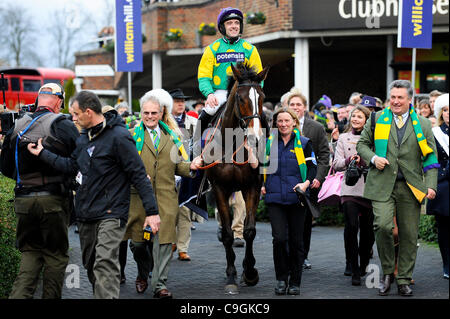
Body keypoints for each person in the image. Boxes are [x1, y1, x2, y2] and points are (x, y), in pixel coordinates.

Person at [27, 91, 161, 299]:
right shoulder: (83, 137)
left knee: (104, 264)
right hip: (86, 213)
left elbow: (138, 175)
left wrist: (152, 212)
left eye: (75, 113)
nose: (72, 118)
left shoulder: (119, 136)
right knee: (91, 266)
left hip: (112, 213)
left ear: (88, 112)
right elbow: (72, 166)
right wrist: (43, 153)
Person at [357, 80, 438, 297]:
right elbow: (362, 145)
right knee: (383, 227)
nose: (395, 101)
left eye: (400, 97)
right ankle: (386, 273)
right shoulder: (377, 118)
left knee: (409, 234)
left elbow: (430, 155)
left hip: (411, 187)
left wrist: (431, 185)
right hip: (382, 184)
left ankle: (403, 278)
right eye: (392, 97)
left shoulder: (423, 124)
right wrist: (373, 158)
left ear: (409, 99)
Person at [0, 83, 79, 299]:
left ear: (38, 99)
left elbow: (5, 168)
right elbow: (79, 163)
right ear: (58, 101)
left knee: (30, 254)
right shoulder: (62, 124)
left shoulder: (17, 126)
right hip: (53, 201)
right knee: (55, 256)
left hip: (23, 201)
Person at [124, 88, 202, 298]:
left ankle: (160, 285)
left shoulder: (172, 137)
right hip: (138, 200)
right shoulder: (131, 137)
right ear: (141, 113)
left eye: (154, 113)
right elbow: (122, 167)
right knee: (139, 244)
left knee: (165, 243)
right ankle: (143, 273)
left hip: (167, 199)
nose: (150, 117)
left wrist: (191, 166)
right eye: (146, 113)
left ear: (160, 113)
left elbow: (179, 166)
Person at [261, 107, 317, 295]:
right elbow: (260, 167)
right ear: (275, 124)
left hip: (297, 198)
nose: (283, 124)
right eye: (280, 121)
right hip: (275, 197)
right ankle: (281, 279)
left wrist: (306, 183)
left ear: (294, 122)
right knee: (279, 239)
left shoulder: (304, 142)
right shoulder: (268, 143)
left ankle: (295, 281)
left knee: (296, 241)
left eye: (287, 121)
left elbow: (312, 168)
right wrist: (261, 183)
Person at [196, 7, 263, 151]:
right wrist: (210, 94)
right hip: (219, 94)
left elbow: (258, 78)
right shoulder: (212, 49)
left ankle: (264, 152)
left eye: (236, 23)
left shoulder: (250, 49)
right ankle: (195, 149)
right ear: (222, 27)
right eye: (229, 23)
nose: (234, 26)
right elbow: (203, 77)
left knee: (261, 117)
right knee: (207, 112)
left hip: (245, 94)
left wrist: (254, 94)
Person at [287, 89, 330, 269]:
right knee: (287, 220)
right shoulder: (280, 125)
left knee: (304, 222)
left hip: (309, 182)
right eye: (292, 105)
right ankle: (288, 254)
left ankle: (302, 255)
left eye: (298, 104)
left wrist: (318, 178)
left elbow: (324, 155)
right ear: (286, 107)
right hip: (287, 181)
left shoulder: (316, 127)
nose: (295, 107)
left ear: (305, 108)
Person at [332, 105, 374, 286]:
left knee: (368, 232)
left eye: (360, 116)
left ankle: (364, 261)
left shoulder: (374, 139)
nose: (356, 119)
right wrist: (350, 160)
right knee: (351, 227)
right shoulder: (343, 137)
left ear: (367, 120)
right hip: (350, 188)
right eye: (354, 116)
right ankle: (353, 266)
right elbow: (336, 163)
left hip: (371, 189)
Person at [169, 88, 198, 261]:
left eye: (182, 100)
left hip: (187, 169)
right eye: (177, 100)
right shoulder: (164, 121)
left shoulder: (193, 122)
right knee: (169, 209)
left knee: (185, 210)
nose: (181, 103)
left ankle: (182, 248)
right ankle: (171, 241)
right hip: (169, 170)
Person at [426, 93, 449, 279]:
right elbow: (430, 160)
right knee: (444, 227)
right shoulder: (435, 134)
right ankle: (447, 263)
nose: (448, 113)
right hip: (444, 185)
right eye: (445, 110)